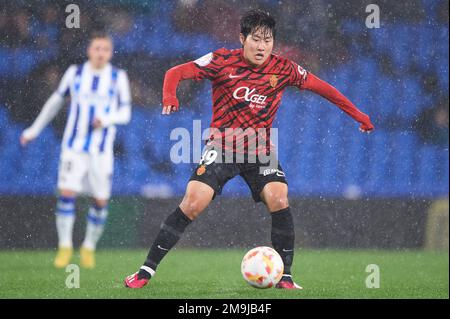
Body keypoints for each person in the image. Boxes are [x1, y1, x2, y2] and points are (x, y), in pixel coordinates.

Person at [124, 10, 373, 289]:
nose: (262, 46)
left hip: (259, 150)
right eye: (256, 40)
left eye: (267, 41)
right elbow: (176, 72)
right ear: (242, 38)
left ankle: (286, 277)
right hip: (222, 146)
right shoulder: (221, 61)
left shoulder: (284, 68)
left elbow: (325, 89)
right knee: (193, 202)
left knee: (279, 198)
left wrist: (359, 115)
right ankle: (145, 272)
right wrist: (169, 95)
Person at [20, 32, 132, 269]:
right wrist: (33, 130)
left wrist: (107, 118)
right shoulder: (75, 73)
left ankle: (88, 247)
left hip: (101, 152)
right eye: (97, 48)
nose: (100, 53)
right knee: (67, 193)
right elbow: (55, 102)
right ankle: (65, 246)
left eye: (105, 49)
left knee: (100, 201)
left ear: (110, 53)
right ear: (89, 51)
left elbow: (125, 113)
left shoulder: (117, 77)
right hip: (74, 147)